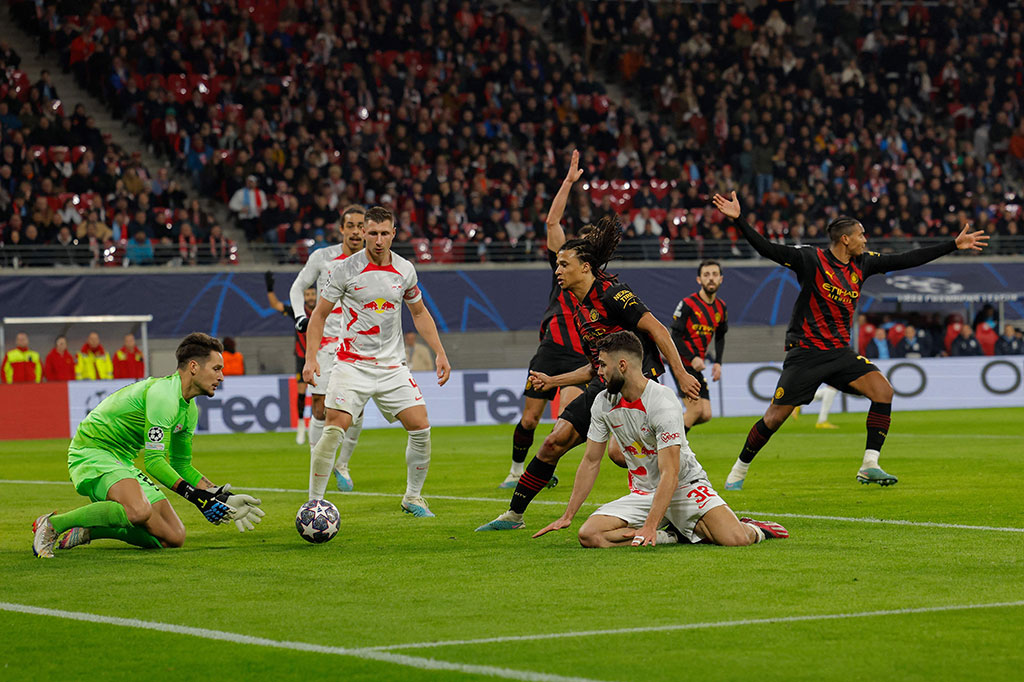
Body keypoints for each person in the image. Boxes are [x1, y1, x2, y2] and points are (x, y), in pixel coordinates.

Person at [713, 191, 987, 490]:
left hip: (839, 352)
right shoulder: (810, 259)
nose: (865, 240)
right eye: (861, 235)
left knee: (883, 391)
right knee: (774, 418)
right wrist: (739, 221)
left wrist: (953, 245)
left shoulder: (864, 264)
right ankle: (739, 470)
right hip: (805, 352)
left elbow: (905, 259)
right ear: (845, 239)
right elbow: (767, 248)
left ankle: (869, 465)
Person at [477, 216, 702, 531]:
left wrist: (680, 373)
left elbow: (658, 329)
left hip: (639, 379)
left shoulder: (613, 294)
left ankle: (685, 501)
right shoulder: (579, 309)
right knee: (554, 442)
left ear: (585, 267)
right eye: (556, 265)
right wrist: (554, 381)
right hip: (606, 383)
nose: (558, 271)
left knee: (628, 452)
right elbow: (594, 368)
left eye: (564, 264)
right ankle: (514, 515)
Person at [533, 332, 788, 547]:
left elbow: (670, 473)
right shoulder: (603, 402)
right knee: (589, 535)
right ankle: (672, 536)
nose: (598, 372)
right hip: (644, 492)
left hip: (684, 486)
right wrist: (568, 515)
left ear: (622, 365)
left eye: (602, 365)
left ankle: (757, 529)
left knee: (735, 540)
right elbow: (590, 461)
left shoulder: (662, 401)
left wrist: (649, 526)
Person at [31, 333, 265, 558]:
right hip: (93, 449)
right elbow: (153, 463)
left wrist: (221, 498)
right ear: (194, 367)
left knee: (174, 536)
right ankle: (52, 524)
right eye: (216, 368)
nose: (222, 376)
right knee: (139, 511)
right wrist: (198, 499)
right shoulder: (164, 397)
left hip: (122, 459)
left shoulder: (189, 409)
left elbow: (182, 465)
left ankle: (91, 530)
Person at [303, 206, 451, 517]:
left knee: (420, 426)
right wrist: (311, 358)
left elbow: (420, 313)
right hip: (351, 364)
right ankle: (314, 503)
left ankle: (412, 497)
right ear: (364, 234)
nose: (379, 240)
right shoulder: (344, 269)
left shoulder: (405, 270)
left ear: (394, 233)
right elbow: (319, 315)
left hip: (392, 366)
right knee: (334, 428)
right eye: (373, 233)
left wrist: (439, 352)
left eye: (385, 233)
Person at [501, 151, 589, 489]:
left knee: (565, 418)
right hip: (551, 351)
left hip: (580, 356)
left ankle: (543, 466)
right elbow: (552, 223)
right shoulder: (564, 268)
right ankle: (514, 470)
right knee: (530, 417)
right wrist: (567, 182)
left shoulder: (603, 283)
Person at [289, 205, 366, 490]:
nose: (356, 231)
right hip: (324, 344)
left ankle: (341, 463)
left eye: (361, 226)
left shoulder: (374, 260)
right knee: (320, 406)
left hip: (357, 346)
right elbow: (297, 287)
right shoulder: (323, 257)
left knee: (356, 411)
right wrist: (300, 316)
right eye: (351, 226)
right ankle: (316, 461)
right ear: (342, 229)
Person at [669, 259, 728, 431]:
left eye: (715, 275)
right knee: (695, 410)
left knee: (706, 414)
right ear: (699, 280)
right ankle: (673, 451)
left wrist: (718, 362)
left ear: (721, 279)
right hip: (681, 362)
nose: (711, 278)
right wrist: (692, 357)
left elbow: (720, 337)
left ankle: (667, 432)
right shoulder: (688, 304)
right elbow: (674, 337)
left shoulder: (721, 307)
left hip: (696, 365)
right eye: (706, 275)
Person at [266, 273, 316, 445]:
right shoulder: (297, 311)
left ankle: (316, 426)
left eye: (312, 294)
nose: (310, 297)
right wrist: (269, 288)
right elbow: (275, 305)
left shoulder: (323, 310)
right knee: (301, 394)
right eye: (307, 294)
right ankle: (302, 426)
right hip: (302, 357)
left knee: (320, 394)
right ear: (304, 297)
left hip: (321, 356)